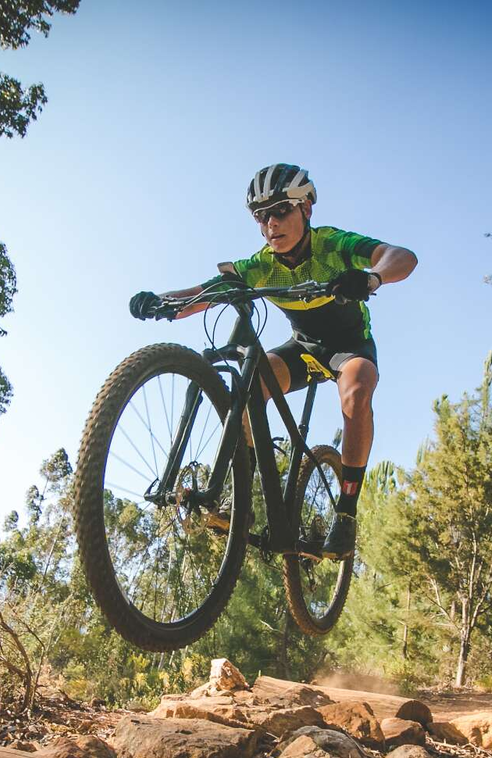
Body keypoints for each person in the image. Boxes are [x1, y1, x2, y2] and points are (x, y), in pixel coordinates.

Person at [129, 163, 417, 560]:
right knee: (250, 388)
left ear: (306, 209)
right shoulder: (261, 263)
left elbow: (401, 256)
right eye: (260, 217)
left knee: (356, 390)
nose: (270, 225)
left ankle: (346, 513)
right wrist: (164, 302)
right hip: (303, 347)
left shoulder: (333, 244)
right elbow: (209, 291)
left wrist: (371, 279)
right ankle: (239, 500)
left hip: (349, 348)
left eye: (280, 211)